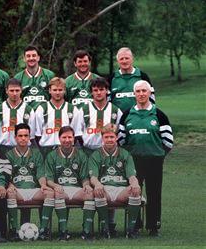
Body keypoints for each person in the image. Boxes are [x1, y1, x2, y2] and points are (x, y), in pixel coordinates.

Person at [118, 80, 172, 236]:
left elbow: (168, 141)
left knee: (154, 193)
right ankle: (135, 224)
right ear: (134, 94)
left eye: (144, 91)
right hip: (133, 161)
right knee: (134, 192)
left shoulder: (159, 115)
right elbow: (121, 140)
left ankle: (153, 226)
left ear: (149, 93)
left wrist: (159, 155)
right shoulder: (127, 115)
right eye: (138, 91)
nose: (141, 94)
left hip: (154, 161)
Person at [89, 124, 142, 239]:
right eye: (106, 137)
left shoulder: (125, 154)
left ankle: (131, 230)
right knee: (98, 192)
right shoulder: (96, 155)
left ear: (116, 138)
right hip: (105, 189)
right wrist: (97, 184)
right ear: (102, 138)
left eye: (112, 137)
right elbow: (93, 177)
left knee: (135, 191)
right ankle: (105, 228)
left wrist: (135, 183)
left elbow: (131, 175)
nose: (109, 140)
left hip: (121, 190)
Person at [4, 123, 53, 241]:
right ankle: (14, 230)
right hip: (17, 190)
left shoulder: (36, 153)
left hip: (33, 189)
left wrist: (43, 185)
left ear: (29, 137)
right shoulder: (8, 154)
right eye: (20, 135)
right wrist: (10, 185)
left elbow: (41, 174)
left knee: (49, 193)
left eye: (26, 135)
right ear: (15, 137)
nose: (23, 138)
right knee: (10, 193)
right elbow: (6, 176)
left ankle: (43, 230)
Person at [44, 126, 92, 240]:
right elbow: (48, 179)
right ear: (59, 138)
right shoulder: (52, 155)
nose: (67, 140)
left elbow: (85, 177)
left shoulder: (81, 155)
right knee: (58, 193)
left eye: (70, 137)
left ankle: (87, 231)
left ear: (74, 138)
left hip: (76, 189)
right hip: (61, 189)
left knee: (90, 193)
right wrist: (55, 186)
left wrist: (86, 186)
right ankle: (63, 231)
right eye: (64, 137)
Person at [71, 77, 122, 154]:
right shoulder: (84, 110)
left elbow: (120, 133)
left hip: (109, 152)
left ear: (107, 91)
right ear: (91, 92)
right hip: (88, 151)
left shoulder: (115, 110)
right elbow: (78, 132)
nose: (98, 93)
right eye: (95, 90)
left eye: (101, 89)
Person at [33, 77, 76, 157]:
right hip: (46, 149)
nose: (57, 93)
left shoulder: (72, 109)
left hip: (67, 149)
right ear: (49, 91)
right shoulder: (42, 109)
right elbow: (37, 134)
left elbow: (76, 134)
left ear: (64, 91)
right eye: (55, 90)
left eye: (60, 90)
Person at [108, 47, 155, 112]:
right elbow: (107, 100)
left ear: (132, 59)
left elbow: (151, 97)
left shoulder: (142, 76)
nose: (124, 61)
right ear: (118, 61)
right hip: (117, 118)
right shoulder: (111, 78)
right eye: (121, 59)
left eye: (127, 58)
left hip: (138, 117)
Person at [0, 78, 35, 147]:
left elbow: (32, 136)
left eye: (17, 90)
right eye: (11, 91)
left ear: (21, 90)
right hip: (2, 149)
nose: (14, 93)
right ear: (6, 91)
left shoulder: (29, 110)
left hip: (22, 149)